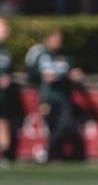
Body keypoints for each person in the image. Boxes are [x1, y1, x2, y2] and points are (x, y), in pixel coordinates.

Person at [25, 28, 85, 162]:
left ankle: (51, 151)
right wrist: (42, 76)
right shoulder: (40, 54)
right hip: (47, 96)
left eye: (59, 40)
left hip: (63, 97)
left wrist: (72, 75)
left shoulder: (65, 56)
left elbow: (71, 72)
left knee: (65, 124)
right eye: (54, 39)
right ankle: (52, 153)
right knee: (51, 125)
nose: (57, 42)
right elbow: (31, 74)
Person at [0, 18, 14, 167]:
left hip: (2, 95)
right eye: (3, 28)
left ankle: (4, 154)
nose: (6, 31)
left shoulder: (5, 51)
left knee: (3, 122)